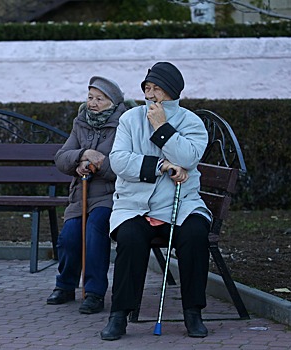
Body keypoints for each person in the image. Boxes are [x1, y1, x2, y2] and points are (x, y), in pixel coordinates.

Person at [100, 62, 211, 340]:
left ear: (172, 92)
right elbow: (119, 161)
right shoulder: (129, 119)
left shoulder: (191, 123)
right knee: (131, 238)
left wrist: (162, 127)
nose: (150, 95)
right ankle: (119, 315)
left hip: (180, 204)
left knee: (196, 234)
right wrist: (161, 165)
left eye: (157, 89)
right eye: (147, 88)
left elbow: (188, 157)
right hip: (135, 206)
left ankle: (193, 313)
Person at [46, 76, 128, 314]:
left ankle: (94, 293)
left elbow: (124, 164)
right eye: (90, 97)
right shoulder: (81, 122)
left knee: (94, 231)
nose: (92, 103)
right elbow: (62, 158)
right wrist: (82, 156)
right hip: (80, 195)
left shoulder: (124, 124)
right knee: (69, 237)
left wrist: (97, 164)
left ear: (112, 102)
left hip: (111, 196)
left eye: (99, 99)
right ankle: (65, 285)